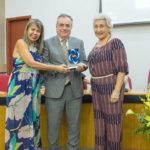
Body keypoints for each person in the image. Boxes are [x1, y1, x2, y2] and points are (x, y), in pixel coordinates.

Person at [5, 19, 68, 150]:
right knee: (19, 121)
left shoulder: (37, 48)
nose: (35, 33)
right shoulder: (21, 43)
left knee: (32, 121)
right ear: (27, 30)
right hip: (20, 89)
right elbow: (31, 63)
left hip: (34, 89)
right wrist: (56, 68)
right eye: (32, 29)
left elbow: (39, 70)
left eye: (38, 31)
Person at [43, 13, 87, 150]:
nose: (64, 28)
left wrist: (81, 67)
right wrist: (56, 68)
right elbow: (43, 66)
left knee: (74, 126)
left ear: (71, 27)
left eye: (67, 25)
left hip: (74, 90)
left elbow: (85, 62)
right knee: (53, 126)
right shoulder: (47, 43)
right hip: (54, 91)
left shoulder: (78, 42)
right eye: (61, 25)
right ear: (56, 27)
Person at [88, 14, 128, 150]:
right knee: (99, 124)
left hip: (111, 87)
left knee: (113, 125)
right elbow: (96, 69)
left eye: (102, 26)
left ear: (109, 28)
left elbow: (121, 69)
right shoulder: (95, 46)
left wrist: (116, 91)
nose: (98, 29)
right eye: (96, 26)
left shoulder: (115, 42)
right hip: (97, 89)